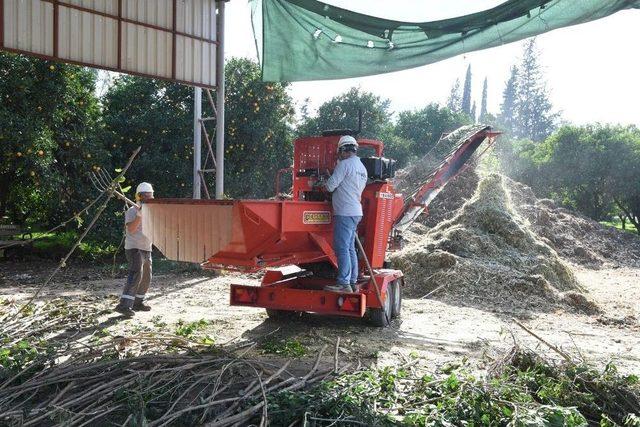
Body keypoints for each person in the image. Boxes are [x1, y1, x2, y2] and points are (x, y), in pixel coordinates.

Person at [323, 135, 368, 292]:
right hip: (355, 211)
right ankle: (352, 281)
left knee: (341, 248)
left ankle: (343, 283)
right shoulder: (362, 168)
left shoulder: (344, 165)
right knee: (349, 248)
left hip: (344, 212)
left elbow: (330, 187)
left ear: (342, 150)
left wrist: (325, 181)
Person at [114, 182, 154, 317]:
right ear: (139, 197)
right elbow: (130, 229)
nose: (149, 198)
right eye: (146, 196)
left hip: (147, 248)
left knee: (147, 277)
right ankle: (124, 305)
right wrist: (139, 215)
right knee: (137, 272)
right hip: (133, 247)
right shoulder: (132, 211)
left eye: (150, 196)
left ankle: (138, 302)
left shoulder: (152, 211)